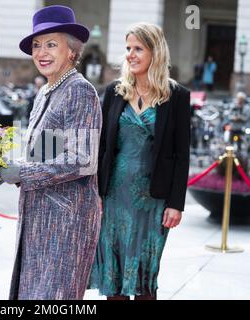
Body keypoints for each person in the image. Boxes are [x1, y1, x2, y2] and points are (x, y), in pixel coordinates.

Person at [0, 5, 102, 300]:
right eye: (36, 45)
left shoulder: (80, 91)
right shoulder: (46, 91)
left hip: (65, 225)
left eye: (51, 44)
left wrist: (23, 172)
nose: (41, 52)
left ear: (72, 50)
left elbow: (83, 160)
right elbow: (48, 155)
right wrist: (10, 167)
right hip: (39, 221)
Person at [90, 22, 191, 300]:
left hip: (154, 200)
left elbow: (182, 154)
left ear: (155, 52)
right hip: (114, 197)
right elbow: (100, 146)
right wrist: (96, 192)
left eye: (138, 49)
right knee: (115, 278)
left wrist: (175, 203)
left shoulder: (177, 96)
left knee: (146, 280)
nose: (130, 55)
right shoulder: (115, 91)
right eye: (128, 48)